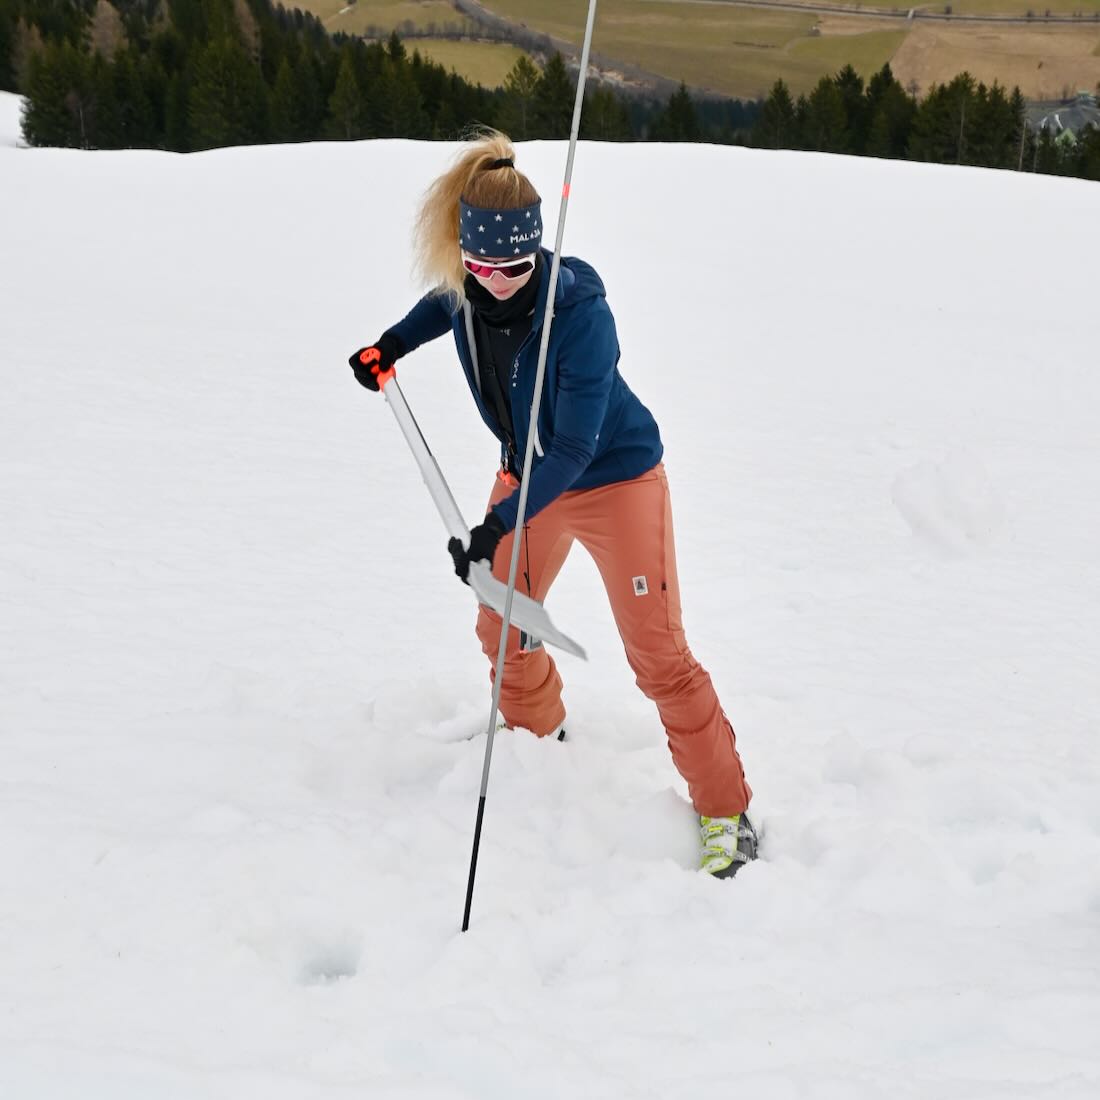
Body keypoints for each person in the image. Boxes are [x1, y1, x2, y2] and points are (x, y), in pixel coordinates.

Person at [349, 129, 757, 877]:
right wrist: (388, 348)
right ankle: (538, 743)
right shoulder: (468, 287)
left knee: (658, 657)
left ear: (536, 251)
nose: (494, 280)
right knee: (500, 616)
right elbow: (443, 309)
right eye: (479, 265)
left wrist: (500, 520)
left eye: (511, 266)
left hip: (612, 480)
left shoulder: (582, 318)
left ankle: (727, 811)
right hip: (525, 476)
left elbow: (571, 449)